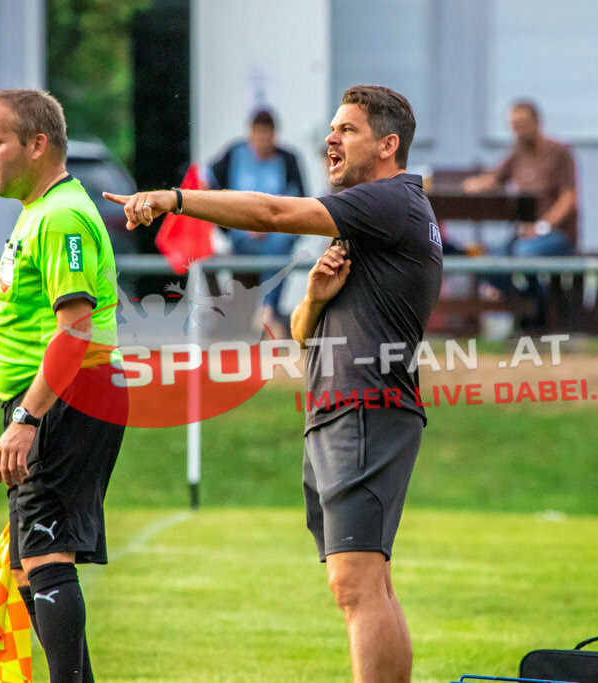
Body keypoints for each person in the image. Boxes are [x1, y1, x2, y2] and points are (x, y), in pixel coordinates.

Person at [106, 84, 442, 683]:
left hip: (366, 408)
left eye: (349, 130)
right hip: (340, 408)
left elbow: (272, 214)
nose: (330, 139)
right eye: (332, 128)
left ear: (389, 146)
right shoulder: (370, 220)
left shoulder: (391, 201)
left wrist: (176, 199)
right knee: (368, 585)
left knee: (356, 584)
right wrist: (313, 296)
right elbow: (303, 337)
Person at [0, 89, 125, 681]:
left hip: (66, 399)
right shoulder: (38, 209)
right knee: (31, 564)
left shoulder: (62, 216)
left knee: (44, 554)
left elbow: (77, 330)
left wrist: (27, 419)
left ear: (37, 145)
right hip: (52, 400)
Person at [462, 100, 578, 324]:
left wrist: (542, 227)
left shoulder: (559, 153)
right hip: (520, 236)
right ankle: (529, 302)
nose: (519, 131)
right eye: (514, 126)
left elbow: (568, 198)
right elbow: (496, 178)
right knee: (483, 261)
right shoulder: (517, 154)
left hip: (557, 235)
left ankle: (537, 310)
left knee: (523, 254)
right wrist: (475, 184)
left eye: (523, 124)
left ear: (537, 121)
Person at [207, 109, 307, 335]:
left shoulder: (287, 160)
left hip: (275, 233)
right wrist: (228, 226)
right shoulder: (234, 154)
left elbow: (299, 202)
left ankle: (266, 310)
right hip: (242, 235)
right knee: (277, 255)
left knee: (281, 245)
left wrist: (270, 224)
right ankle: (267, 313)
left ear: (275, 136)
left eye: (267, 137)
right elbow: (209, 187)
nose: (262, 143)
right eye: (258, 137)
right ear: (251, 135)